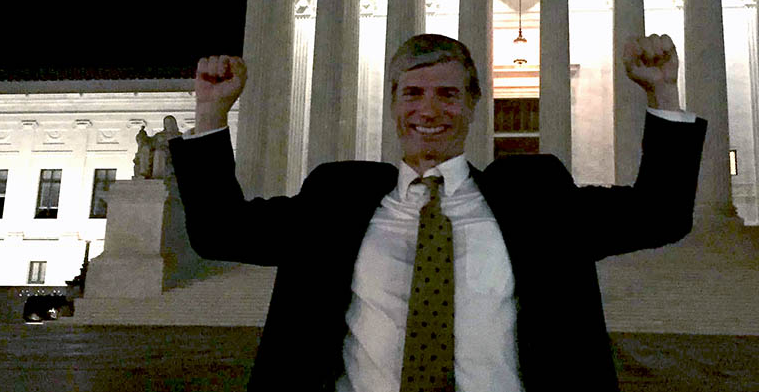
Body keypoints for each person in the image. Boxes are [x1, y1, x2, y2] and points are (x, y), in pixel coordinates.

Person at [169, 33, 706, 392]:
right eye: (414, 93)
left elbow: (660, 214)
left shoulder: (537, 199)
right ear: (395, 103)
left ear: (473, 104)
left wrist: (663, 92)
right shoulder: (337, 199)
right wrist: (212, 111)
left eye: (448, 94)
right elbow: (220, 232)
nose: (429, 109)